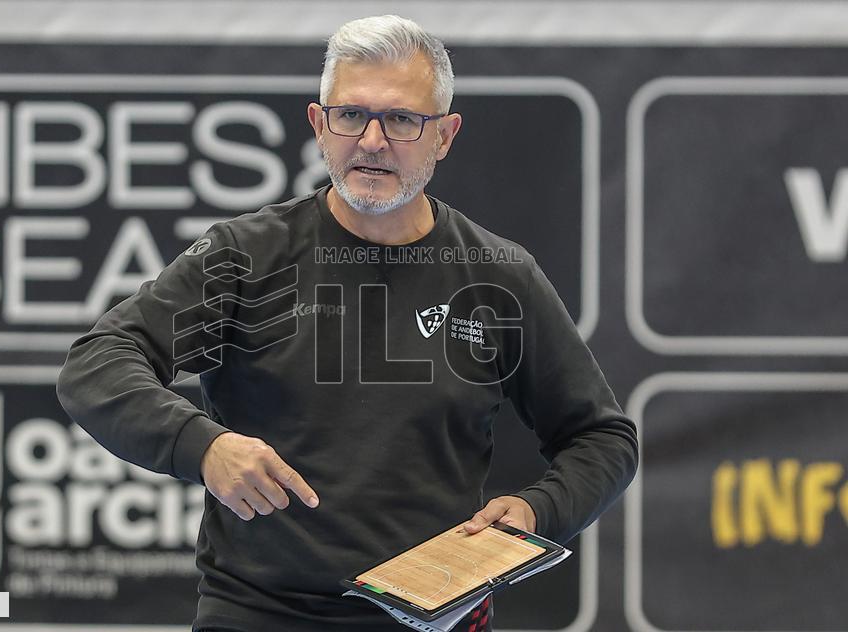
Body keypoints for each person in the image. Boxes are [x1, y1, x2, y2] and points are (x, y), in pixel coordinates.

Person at [57, 14, 637, 632]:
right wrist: (204, 446)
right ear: (318, 125)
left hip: (436, 617)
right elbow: (98, 361)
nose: (372, 140)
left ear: (444, 135)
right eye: (352, 115)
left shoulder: (497, 275)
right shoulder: (248, 255)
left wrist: (536, 511)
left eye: (403, 119)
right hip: (258, 614)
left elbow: (602, 439)